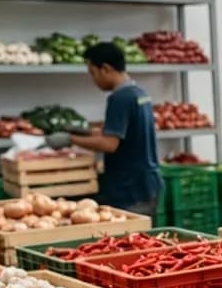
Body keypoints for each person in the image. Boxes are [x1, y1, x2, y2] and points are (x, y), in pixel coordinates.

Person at [46, 42, 162, 216]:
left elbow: (110, 144)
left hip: (128, 189)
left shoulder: (119, 98)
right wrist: (85, 130)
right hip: (147, 183)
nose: (94, 80)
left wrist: (70, 140)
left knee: (128, 239)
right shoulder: (139, 93)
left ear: (105, 69)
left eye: (93, 73)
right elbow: (123, 131)